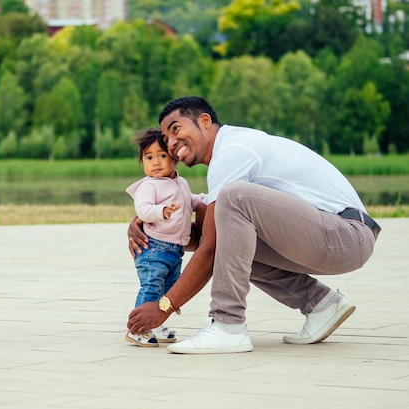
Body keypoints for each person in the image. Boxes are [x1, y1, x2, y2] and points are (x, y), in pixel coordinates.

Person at [126, 96, 381, 354]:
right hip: (336, 238)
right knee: (230, 234)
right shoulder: (228, 152)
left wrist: (163, 307)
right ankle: (321, 304)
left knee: (233, 198)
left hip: (347, 234)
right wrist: (150, 226)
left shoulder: (231, 151)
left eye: (176, 129)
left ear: (204, 121)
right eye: (166, 138)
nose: (171, 144)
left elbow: (211, 248)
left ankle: (228, 324)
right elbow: (208, 238)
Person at [125, 127, 205, 347]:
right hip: (154, 249)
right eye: (149, 157)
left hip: (174, 250)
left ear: (174, 158)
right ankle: (136, 329)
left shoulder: (181, 183)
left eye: (162, 156)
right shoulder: (149, 185)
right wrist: (162, 212)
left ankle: (156, 321)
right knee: (151, 287)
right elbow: (143, 210)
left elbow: (189, 200)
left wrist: (204, 200)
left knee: (168, 289)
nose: (156, 162)